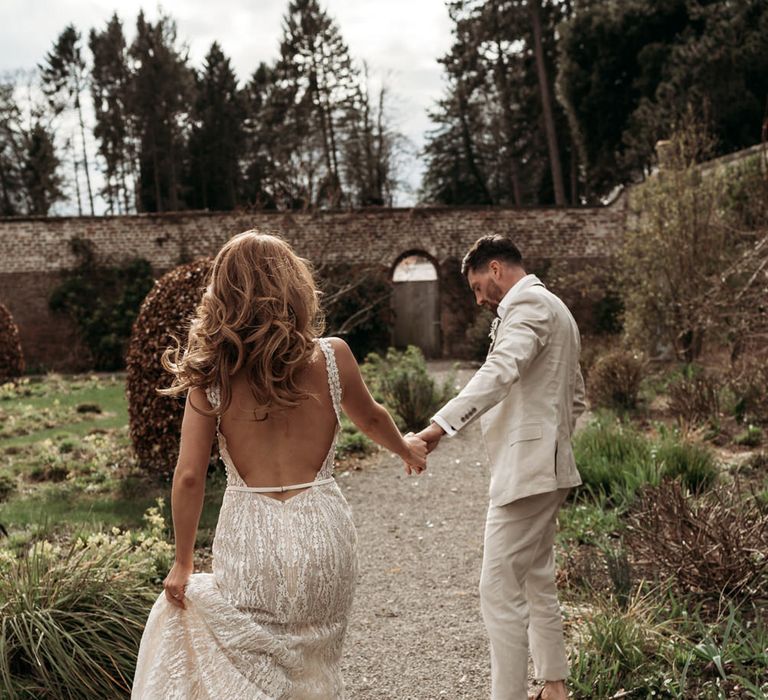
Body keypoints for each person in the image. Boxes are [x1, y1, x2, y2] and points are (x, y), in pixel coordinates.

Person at [131, 231, 427, 699]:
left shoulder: (212, 377)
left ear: (222, 293)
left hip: (252, 536)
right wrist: (406, 449)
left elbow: (189, 476)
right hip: (322, 529)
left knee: (252, 667)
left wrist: (183, 562)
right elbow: (371, 416)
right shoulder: (332, 357)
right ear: (294, 285)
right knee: (315, 665)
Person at [416, 235, 586, 700]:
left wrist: (437, 429)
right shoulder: (557, 307)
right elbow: (577, 397)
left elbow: (499, 372)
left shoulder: (527, 305)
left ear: (495, 268)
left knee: (496, 589)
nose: (477, 298)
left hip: (529, 472)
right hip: (546, 466)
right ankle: (553, 686)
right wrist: (555, 444)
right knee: (535, 579)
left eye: (476, 286)